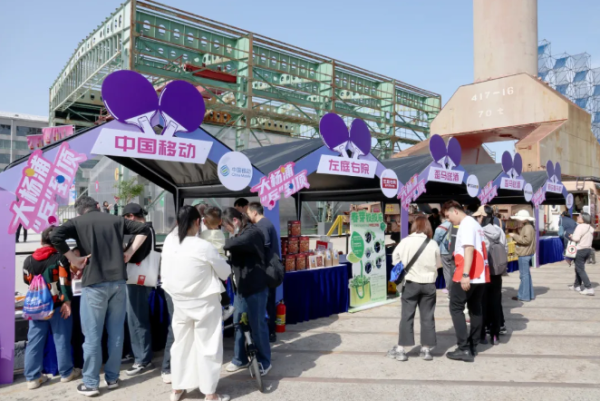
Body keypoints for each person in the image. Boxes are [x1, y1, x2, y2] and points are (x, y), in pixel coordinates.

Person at [50, 196, 150, 396]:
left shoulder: (77, 222)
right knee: (116, 333)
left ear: (80, 211)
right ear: (97, 206)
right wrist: (129, 252)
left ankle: (91, 383)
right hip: (118, 282)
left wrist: (73, 259)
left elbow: (55, 236)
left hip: (94, 283)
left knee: (92, 336)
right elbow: (144, 228)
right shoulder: (116, 220)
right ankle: (112, 378)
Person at [161, 205, 232, 401]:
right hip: (204, 303)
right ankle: (210, 393)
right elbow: (224, 272)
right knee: (208, 346)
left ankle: (177, 389)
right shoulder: (203, 246)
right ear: (197, 222)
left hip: (180, 302)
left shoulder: (169, 241)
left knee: (180, 345)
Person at [23, 226, 80, 389]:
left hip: (36, 307)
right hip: (57, 305)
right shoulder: (60, 258)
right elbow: (64, 281)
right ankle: (66, 373)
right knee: (61, 339)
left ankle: (32, 378)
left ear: (42, 240)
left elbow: (27, 280)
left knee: (34, 341)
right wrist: (67, 301)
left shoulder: (29, 260)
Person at [222, 207, 272, 376]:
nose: (226, 230)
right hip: (241, 289)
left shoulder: (252, 232)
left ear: (235, 221)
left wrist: (218, 244)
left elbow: (233, 244)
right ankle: (240, 359)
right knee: (238, 323)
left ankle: (265, 361)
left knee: (257, 325)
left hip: (255, 287)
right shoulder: (239, 233)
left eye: (226, 226)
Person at [388, 216, 440, 362]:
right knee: (427, 316)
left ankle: (401, 350)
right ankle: (426, 349)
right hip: (429, 284)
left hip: (410, 283)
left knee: (407, 315)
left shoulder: (405, 241)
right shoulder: (433, 243)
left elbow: (395, 259)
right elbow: (439, 264)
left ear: (414, 226)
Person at [442, 200, 490, 362]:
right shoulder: (475, 224)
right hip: (480, 274)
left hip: (468, 272)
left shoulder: (466, 224)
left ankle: (463, 348)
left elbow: (468, 248)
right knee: (475, 308)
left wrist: (465, 274)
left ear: (455, 211)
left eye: (448, 216)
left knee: (456, 307)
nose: (448, 220)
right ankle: (472, 345)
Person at [121, 203, 156, 376]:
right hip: (138, 279)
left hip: (138, 280)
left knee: (137, 319)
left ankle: (142, 359)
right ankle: (137, 353)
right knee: (135, 318)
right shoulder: (147, 229)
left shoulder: (143, 231)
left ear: (131, 217)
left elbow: (135, 256)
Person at [247, 201, 281, 343]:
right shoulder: (267, 223)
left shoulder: (262, 226)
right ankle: (271, 331)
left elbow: (264, 247)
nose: (248, 216)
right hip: (272, 269)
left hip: (267, 270)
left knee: (267, 303)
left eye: (248, 213)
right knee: (270, 302)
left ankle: (269, 333)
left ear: (254, 212)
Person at [472, 205, 506, 345]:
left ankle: (482, 335)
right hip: (497, 272)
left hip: (483, 272)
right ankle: (495, 334)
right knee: (496, 302)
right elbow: (504, 248)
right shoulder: (499, 230)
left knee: (481, 303)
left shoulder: (478, 231)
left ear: (482, 217)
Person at [199, 206, 234, 320]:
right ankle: (226, 306)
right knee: (221, 287)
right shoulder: (221, 234)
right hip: (222, 263)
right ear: (220, 221)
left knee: (217, 288)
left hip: (211, 266)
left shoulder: (202, 236)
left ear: (204, 221)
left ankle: (226, 305)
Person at [509, 210, 536, 302]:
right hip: (526, 253)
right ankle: (527, 295)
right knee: (526, 275)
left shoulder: (527, 227)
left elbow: (526, 240)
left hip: (524, 254)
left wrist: (514, 236)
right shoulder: (529, 226)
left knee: (524, 276)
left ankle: (524, 296)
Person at [569, 212, 595, 296]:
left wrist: (571, 237)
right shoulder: (590, 228)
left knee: (580, 269)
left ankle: (589, 288)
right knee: (579, 268)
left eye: (579, 216)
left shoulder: (580, 227)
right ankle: (577, 285)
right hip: (588, 250)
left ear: (583, 219)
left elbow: (576, 238)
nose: (577, 217)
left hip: (580, 250)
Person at [433, 212, 454, 297]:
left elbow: (435, 242)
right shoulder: (456, 224)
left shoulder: (440, 228)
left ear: (441, 218)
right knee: (455, 270)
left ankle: (449, 289)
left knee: (447, 271)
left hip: (445, 252)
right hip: (456, 251)